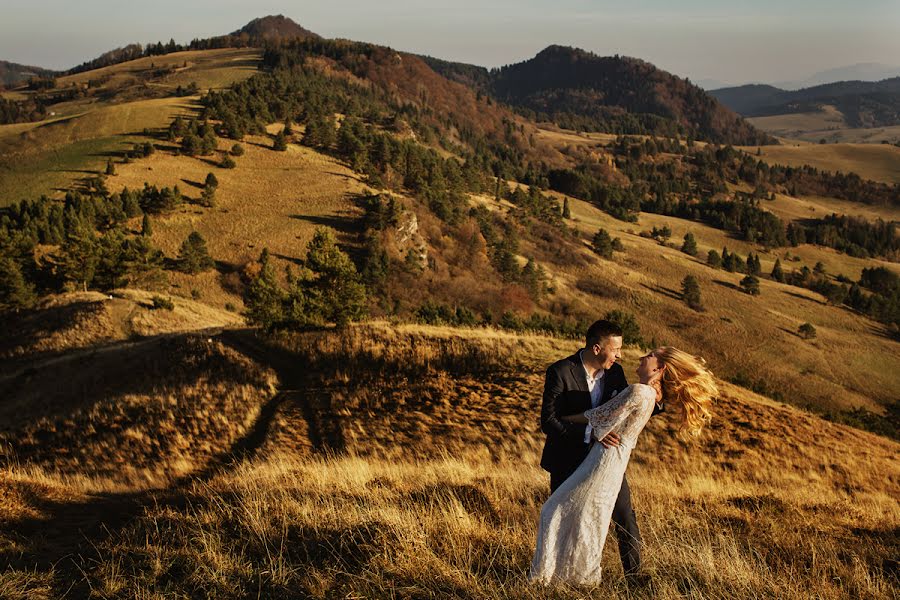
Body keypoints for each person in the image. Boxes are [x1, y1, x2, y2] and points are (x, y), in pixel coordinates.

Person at [531, 345, 717, 585]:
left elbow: (598, 416)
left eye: (649, 356)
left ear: (659, 368)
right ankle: (567, 575)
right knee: (583, 516)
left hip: (605, 459)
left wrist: (573, 423)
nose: (639, 356)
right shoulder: (643, 392)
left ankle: (578, 577)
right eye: (616, 348)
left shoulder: (634, 387)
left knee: (570, 513)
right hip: (593, 457)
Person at [537, 320, 650, 577]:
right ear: (597, 348)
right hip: (566, 458)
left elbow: (627, 411)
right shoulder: (561, 371)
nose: (619, 355)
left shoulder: (616, 373)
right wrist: (592, 432)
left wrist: (657, 397)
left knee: (624, 516)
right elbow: (549, 421)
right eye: (615, 349)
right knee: (563, 518)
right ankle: (555, 577)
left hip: (605, 461)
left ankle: (636, 577)